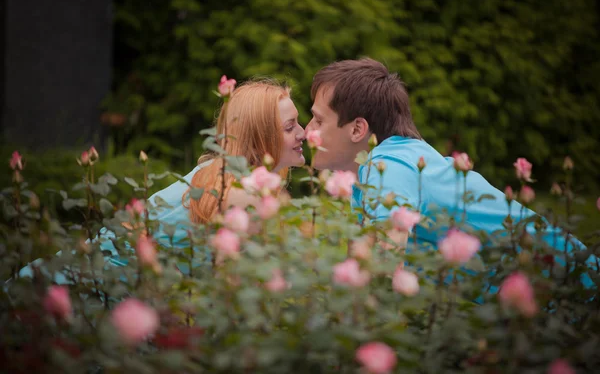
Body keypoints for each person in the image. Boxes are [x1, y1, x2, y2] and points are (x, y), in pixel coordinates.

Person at [305, 58, 597, 286]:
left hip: (575, 286)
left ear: (358, 129)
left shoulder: (390, 167)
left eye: (318, 120)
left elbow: (381, 272)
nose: (308, 130)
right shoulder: (397, 160)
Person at [19, 79, 306, 278]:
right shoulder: (243, 194)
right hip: (79, 293)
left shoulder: (224, 171)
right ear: (257, 139)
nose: (303, 133)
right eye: (290, 127)